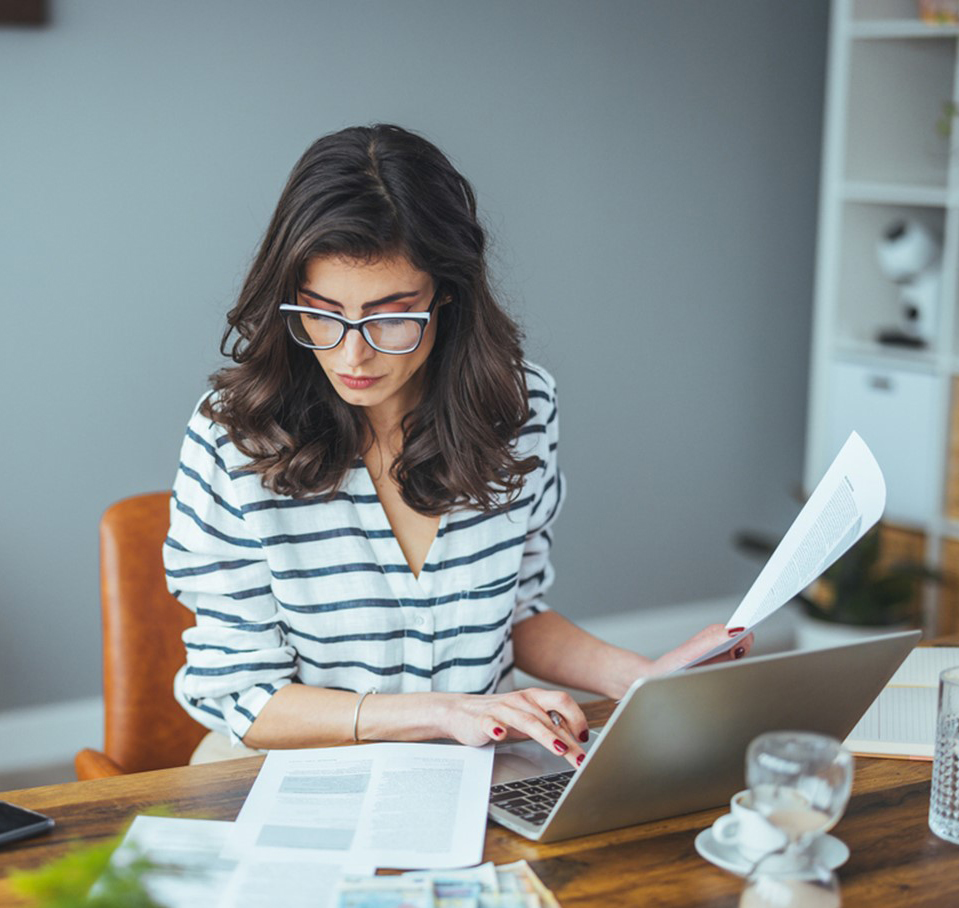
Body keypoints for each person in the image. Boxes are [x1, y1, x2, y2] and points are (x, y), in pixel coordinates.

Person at [166, 124, 751, 770]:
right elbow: (246, 697)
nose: (352, 352)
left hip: (468, 767)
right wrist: (441, 713)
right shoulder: (234, 437)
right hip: (288, 771)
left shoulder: (519, 409)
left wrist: (640, 680)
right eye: (323, 313)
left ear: (447, 291)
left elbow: (517, 613)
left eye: (391, 315)